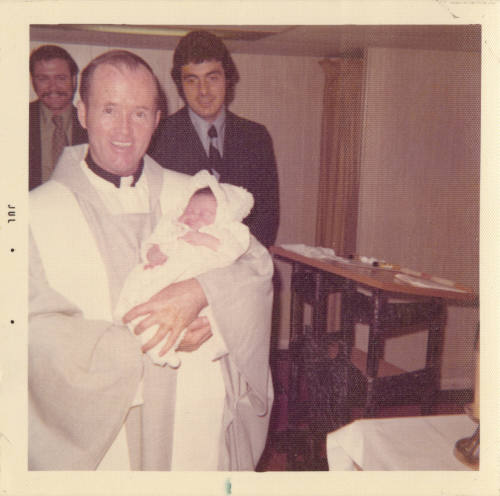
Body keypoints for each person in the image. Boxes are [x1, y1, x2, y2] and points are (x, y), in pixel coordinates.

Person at [29, 49, 274, 471]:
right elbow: (28, 335)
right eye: (110, 110)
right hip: (103, 439)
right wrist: (147, 341)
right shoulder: (33, 214)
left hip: (196, 414)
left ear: (158, 120)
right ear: (82, 112)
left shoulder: (197, 197)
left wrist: (200, 294)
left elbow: (257, 268)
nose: (125, 130)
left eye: (140, 113)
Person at [148, 30, 280, 248]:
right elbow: (155, 216)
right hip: (181, 262)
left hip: (242, 264)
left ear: (228, 79)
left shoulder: (256, 138)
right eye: (192, 81)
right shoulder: (158, 137)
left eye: (212, 78)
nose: (204, 91)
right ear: (180, 85)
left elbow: (266, 218)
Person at [116, 169, 254, 369]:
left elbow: (231, 253)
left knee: (193, 318)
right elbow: (154, 241)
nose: (194, 217)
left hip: (196, 280)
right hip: (163, 274)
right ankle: (149, 340)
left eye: (205, 214)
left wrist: (205, 239)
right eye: (190, 211)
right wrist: (154, 252)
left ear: (221, 217)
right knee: (140, 300)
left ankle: (163, 349)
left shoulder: (222, 234)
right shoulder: (173, 226)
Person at [29, 45, 88, 190]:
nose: (52, 87)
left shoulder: (91, 124)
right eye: (43, 79)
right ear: (33, 81)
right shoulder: (13, 121)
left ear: (74, 79)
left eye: (60, 78)